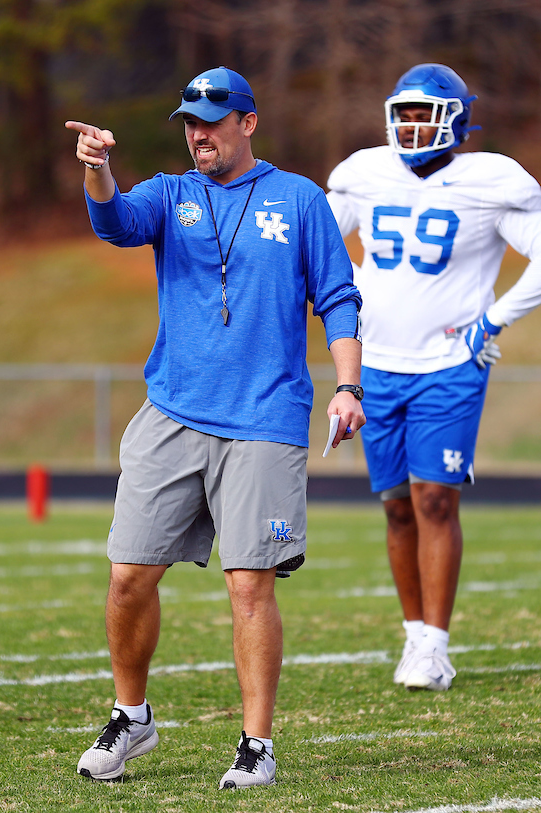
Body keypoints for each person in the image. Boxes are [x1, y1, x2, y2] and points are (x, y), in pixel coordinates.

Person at [65, 66, 365, 788]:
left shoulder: (299, 199)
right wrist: (99, 170)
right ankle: (131, 716)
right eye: (190, 122)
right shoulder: (171, 193)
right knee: (129, 573)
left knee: (248, 584)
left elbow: (339, 297)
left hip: (264, 416)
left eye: (212, 120)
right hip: (172, 411)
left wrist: (349, 385)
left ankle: (256, 744)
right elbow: (115, 222)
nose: (199, 133)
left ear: (248, 122)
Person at [326, 64, 541, 691]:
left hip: (448, 365)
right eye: (403, 115)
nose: (411, 128)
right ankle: (413, 636)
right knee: (395, 509)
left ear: (457, 120)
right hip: (375, 362)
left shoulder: (489, 181)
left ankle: (435, 646)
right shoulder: (365, 174)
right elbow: (319, 246)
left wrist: (493, 320)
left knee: (434, 497)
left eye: (424, 114)